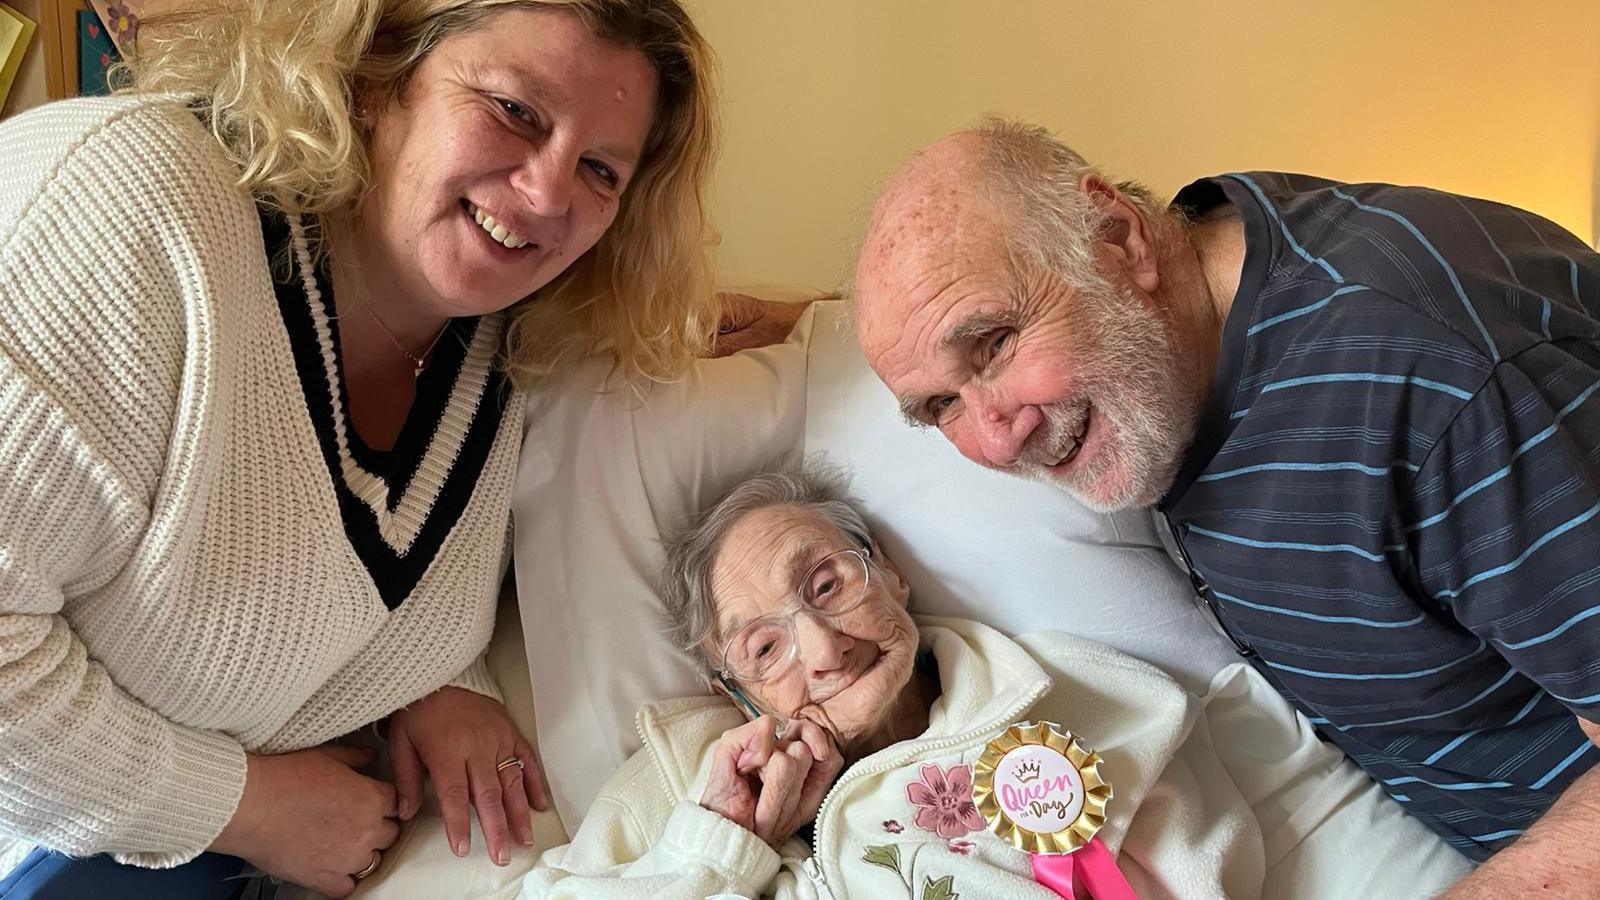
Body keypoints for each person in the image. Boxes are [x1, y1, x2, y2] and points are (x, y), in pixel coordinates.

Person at [0, 0, 718, 896]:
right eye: (515, 110)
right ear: (376, 75)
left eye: (601, 169)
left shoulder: (505, 352)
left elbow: (342, 576)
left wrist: (443, 682)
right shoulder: (131, 206)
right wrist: (247, 810)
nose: (546, 194)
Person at [850, 118, 1600, 896]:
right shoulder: (1178, 324)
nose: (998, 441)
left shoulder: (1433, 382)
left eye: (996, 344)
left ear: (1119, 238)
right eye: (941, 404)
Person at [509, 466, 1469, 899]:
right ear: (736, 692)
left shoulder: (1074, 702)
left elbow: (1208, 860)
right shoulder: (679, 790)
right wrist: (716, 850)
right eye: (765, 648)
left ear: (889, 571)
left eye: (828, 585)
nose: (824, 649)